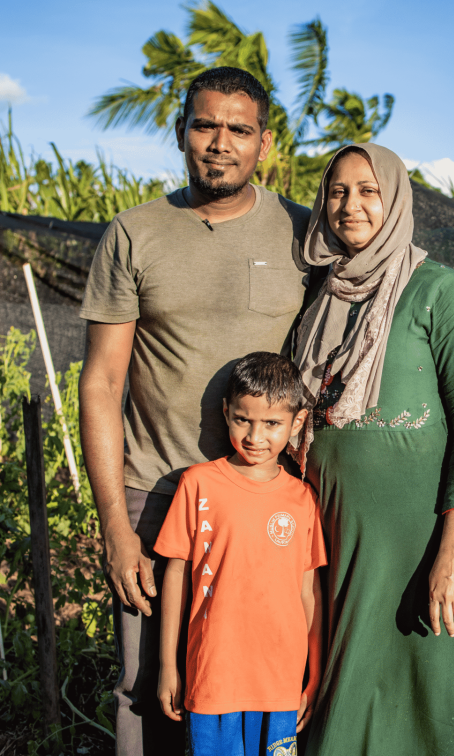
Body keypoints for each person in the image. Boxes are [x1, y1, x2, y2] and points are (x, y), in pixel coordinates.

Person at [78, 66, 311, 756]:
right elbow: (102, 383)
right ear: (181, 133)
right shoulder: (134, 234)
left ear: (263, 144)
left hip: (260, 504)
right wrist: (115, 526)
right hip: (156, 492)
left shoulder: (300, 236)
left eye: (239, 129)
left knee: (260, 676)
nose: (220, 142)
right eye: (205, 125)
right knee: (147, 684)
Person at [292, 143, 454, 756]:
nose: (351, 205)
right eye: (337, 191)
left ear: (396, 199)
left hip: (412, 537)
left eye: (368, 191)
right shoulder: (320, 294)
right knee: (337, 673)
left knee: (421, 681)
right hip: (332, 524)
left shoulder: (437, 289)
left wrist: (453, 552)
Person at [155, 352, 325, 756]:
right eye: (242, 419)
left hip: (280, 681)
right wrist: (167, 665)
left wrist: (313, 676)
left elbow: (309, 595)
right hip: (213, 675)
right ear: (225, 411)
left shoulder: (302, 499)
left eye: (271, 424)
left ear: (296, 422)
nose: (255, 436)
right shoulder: (197, 485)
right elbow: (176, 576)